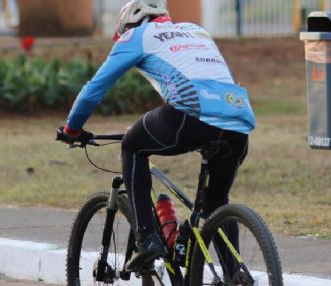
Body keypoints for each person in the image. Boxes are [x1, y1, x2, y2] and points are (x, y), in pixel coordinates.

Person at [58, 0, 255, 271]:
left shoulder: (136, 35)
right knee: (216, 204)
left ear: (130, 23)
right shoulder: (197, 31)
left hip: (190, 114)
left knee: (132, 146)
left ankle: (147, 238)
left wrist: (72, 129)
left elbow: (94, 89)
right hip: (238, 118)